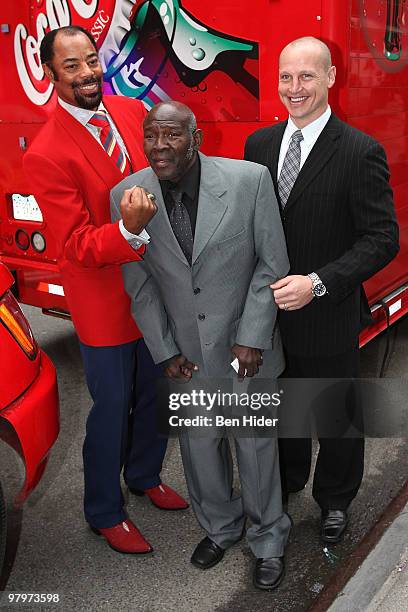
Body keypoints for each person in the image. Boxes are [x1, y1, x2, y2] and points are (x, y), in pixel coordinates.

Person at [110, 101, 292, 590]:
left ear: (196, 139)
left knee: (256, 449)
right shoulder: (128, 196)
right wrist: (164, 350)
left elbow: (271, 265)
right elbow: (141, 286)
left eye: (171, 136)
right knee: (199, 447)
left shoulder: (249, 181)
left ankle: (268, 537)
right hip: (186, 354)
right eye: (151, 136)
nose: (158, 147)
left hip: (245, 349)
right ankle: (220, 526)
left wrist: (253, 336)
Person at [23, 26, 187, 555]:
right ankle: (103, 510)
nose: (87, 72)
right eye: (71, 66)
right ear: (51, 74)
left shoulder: (131, 111)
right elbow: (72, 246)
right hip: (106, 305)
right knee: (113, 406)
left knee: (157, 392)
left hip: (156, 292)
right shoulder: (46, 153)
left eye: (91, 60)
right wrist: (129, 230)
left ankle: (144, 476)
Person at [244, 36, 399, 544]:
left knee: (334, 414)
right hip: (270, 318)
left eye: (307, 76)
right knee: (286, 409)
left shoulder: (359, 151)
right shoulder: (260, 145)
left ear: (331, 78)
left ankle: (335, 500)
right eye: (286, 77)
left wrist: (317, 283)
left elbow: (382, 239)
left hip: (326, 312)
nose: (295, 88)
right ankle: (287, 485)